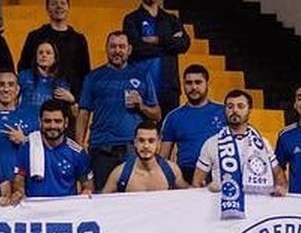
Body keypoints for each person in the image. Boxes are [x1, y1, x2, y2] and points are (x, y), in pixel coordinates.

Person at [77, 31, 160, 189]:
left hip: (132, 148)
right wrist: (79, 145)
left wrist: (141, 106)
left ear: (129, 50)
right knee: (103, 198)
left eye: (121, 46)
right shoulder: (93, 77)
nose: (117, 50)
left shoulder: (142, 76)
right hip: (101, 148)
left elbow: (156, 114)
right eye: (113, 46)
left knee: (133, 198)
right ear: (106, 49)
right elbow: (83, 113)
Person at [193, 89, 285, 196]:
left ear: (249, 110)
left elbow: (279, 176)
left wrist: (280, 188)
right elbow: (196, 182)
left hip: (259, 206)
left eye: (240, 106)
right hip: (222, 205)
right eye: (230, 107)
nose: (235, 110)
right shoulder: (212, 143)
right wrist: (208, 190)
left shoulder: (263, 143)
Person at [122, 0, 191, 114]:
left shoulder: (171, 19)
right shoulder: (131, 19)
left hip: (169, 87)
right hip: (140, 86)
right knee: (141, 133)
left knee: (167, 133)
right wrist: (169, 45)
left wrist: (158, 40)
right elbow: (135, 49)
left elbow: (184, 44)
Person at [6, 100, 92, 202]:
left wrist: (86, 193)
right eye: (47, 121)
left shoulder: (77, 153)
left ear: (66, 123)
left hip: (66, 213)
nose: (52, 126)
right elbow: (19, 178)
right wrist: (18, 192)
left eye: (57, 121)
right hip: (35, 213)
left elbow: (88, 186)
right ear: (40, 122)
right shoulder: (27, 148)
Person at [0, 71, 39, 195]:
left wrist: (25, 140)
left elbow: (43, 149)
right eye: (1, 85)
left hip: (21, 186)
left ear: (18, 89)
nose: (6, 89)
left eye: (10, 85)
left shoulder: (32, 118)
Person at [17, 0, 92, 97]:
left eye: (63, 3)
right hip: (38, 96)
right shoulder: (35, 36)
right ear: (47, 9)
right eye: (54, 4)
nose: (59, 7)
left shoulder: (78, 39)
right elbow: (23, 67)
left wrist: (75, 98)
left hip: (69, 97)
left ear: (68, 8)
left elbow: (85, 72)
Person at [159, 64, 225, 179]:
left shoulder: (223, 112)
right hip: (186, 176)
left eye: (198, 82)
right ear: (183, 85)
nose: (193, 87)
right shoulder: (173, 117)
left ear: (207, 84)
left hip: (219, 173)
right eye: (189, 83)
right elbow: (163, 159)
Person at [101, 120, 187, 192]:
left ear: (158, 143)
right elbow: (101, 203)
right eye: (141, 140)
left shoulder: (172, 170)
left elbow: (189, 196)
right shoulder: (119, 173)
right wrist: (88, 197)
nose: (146, 146)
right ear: (135, 142)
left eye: (151, 141)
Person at [17, 41, 75, 112]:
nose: (44, 55)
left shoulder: (61, 82)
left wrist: (72, 101)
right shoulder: (24, 76)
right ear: (36, 57)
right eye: (40, 52)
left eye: (48, 53)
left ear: (55, 58)